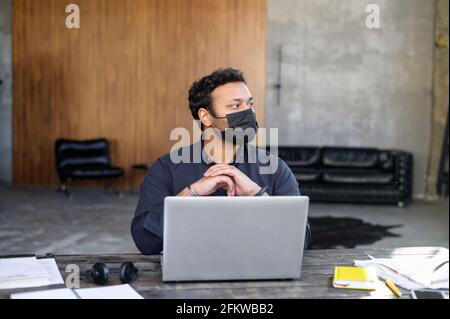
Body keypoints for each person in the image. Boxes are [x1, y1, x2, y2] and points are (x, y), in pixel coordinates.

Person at [131, 67, 311, 254]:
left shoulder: (275, 169)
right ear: (206, 117)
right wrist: (192, 193)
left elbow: (300, 241)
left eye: (249, 104)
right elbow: (145, 241)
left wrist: (256, 194)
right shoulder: (166, 169)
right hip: (190, 277)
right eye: (235, 106)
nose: (248, 113)